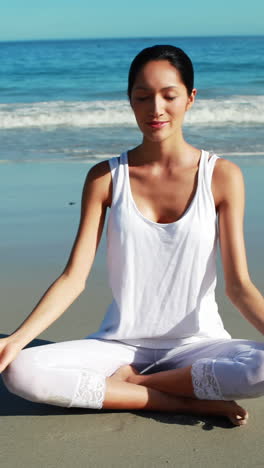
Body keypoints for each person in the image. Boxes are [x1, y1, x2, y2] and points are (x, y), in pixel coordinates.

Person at [1, 45, 264, 426]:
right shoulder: (105, 178)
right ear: (130, 101)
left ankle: (137, 385)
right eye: (142, 97)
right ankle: (177, 401)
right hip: (117, 345)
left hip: (198, 345)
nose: (155, 108)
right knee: (20, 372)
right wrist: (17, 340)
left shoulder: (221, 176)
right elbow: (74, 278)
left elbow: (239, 287)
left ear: (190, 98)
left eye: (168, 95)